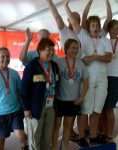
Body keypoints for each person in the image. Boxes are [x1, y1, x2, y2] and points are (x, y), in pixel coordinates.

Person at [62, 0, 112, 145]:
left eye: (97, 25)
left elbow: (108, 58)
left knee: (97, 110)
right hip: (88, 79)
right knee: (85, 110)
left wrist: (93, 57)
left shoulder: (105, 40)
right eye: (93, 25)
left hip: (103, 79)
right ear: (88, 28)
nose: (96, 27)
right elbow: (75, 20)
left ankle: (94, 135)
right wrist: (66, 6)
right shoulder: (83, 36)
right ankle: (82, 137)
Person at [20, 38, 59, 150]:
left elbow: (57, 85)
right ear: (40, 51)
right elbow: (23, 90)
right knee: (34, 138)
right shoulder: (32, 66)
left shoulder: (55, 66)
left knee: (47, 138)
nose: (52, 52)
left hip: (51, 107)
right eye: (48, 49)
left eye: (53, 49)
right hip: (35, 108)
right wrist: (26, 108)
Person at [52, 39, 89, 150]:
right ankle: (54, 147)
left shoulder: (80, 63)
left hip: (74, 100)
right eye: (72, 48)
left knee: (68, 125)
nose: (75, 50)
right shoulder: (58, 62)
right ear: (66, 49)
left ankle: (65, 147)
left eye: (77, 48)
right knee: (56, 125)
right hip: (60, 99)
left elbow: (86, 83)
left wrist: (81, 98)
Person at [101, 19, 118, 143]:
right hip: (103, 76)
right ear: (108, 29)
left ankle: (110, 134)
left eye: (117, 28)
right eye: (112, 28)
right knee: (101, 108)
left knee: (109, 108)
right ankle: (103, 132)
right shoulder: (103, 42)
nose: (115, 30)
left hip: (114, 77)